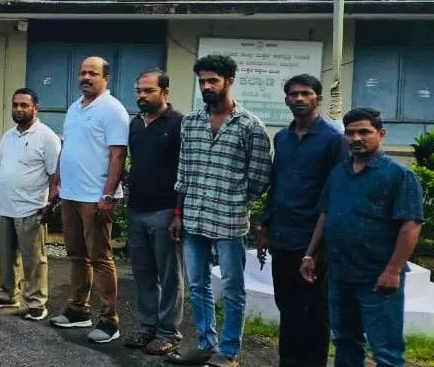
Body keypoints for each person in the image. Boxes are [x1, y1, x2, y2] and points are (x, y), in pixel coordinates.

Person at [168, 55, 271, 367]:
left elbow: (259, 178)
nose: (206, 86)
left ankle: (229, 353)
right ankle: (206, 345)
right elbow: (183, 172)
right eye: (202, 81)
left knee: (232, 288)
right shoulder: (190, 123)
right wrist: (178, 214)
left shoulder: (250, 126)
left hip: (229, 222)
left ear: (229, 81)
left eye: (213, 80)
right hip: (194, 219)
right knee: (197, 285)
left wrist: (234, 201)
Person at [301, 107, 423, 367]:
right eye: (350, 133)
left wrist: (393, 271)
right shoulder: (338, 173)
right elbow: (325, 215)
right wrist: (310, 255)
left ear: (381, 134)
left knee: (386, 350)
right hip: (340, 275)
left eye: (364, 132)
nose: (356, 138)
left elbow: (410, 226)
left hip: (377, 278)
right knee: (345, 341)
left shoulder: (399, 175)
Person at [258, 74, 345, 366]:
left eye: (305, 93)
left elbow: (335, 195)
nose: (299, 98)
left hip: (313, 240)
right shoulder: (282, 138)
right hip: (282, 236)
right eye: (293, 94)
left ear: (318, 98)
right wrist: (265, 226)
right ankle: (288, 361)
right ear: (286, 100)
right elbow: (276, 185)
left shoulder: (333, 140)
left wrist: (317, 249)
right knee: (287, 305)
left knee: (314, 309)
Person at [50, 56, 129, 345]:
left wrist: (108, 194)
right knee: (76, 255)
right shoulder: (74, 107)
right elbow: (67, 147)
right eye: (82, 72)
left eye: (92, 73)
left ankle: (109, 320)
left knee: (100, 258)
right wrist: (57, 182)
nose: (85, 77)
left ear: (105, 78)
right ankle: (78, 310)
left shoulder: (113, 110)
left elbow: (118, 155)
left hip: (95, 198)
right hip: (70, 194)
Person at [122, 69, 185, 355]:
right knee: (143, 274)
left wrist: (178, 213)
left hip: (165, 211)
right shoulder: (135, 124)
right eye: (139, 90)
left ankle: (168, 332)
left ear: (165, 92)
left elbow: (185, 171)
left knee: (169, 275)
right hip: (137, 209)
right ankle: (148, 327)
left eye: (148, 91)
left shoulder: (179, 124)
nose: (142, 95)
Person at [0, 88, 60, 322]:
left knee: (33, 259)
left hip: (31, 207)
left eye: (24, 105)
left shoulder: (47, 137)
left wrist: (50, 203)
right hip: (5, 206)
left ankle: (36, 302)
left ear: (35, 108)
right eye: (16, 105)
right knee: (5, 255)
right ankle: (8, 294)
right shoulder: (8, 136)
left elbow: (55, 174)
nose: (19, 109)